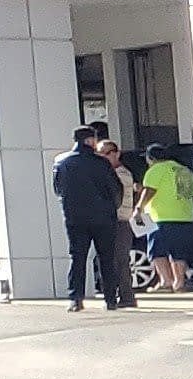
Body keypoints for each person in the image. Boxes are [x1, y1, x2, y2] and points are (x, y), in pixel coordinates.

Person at [52, 128, 134, 310]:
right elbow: (115, 189)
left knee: (77, 257)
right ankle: (110, 299)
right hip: (103, 218)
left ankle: (75, 298)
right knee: (106, 258)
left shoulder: (62, 163)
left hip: (75, 218)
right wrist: (111, 208)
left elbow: (58, 190)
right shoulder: (101, 163)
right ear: (91, 140)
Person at [135, 143, 193, 294]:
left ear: (151, 158)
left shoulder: (155, 170)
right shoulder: (184, 170)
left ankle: (166, 282)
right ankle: (179, 282)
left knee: (157, 251)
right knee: (179, 252)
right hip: (184, 216)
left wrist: (139, 207)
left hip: (161, 217)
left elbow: (150, 190)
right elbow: (190, 193)